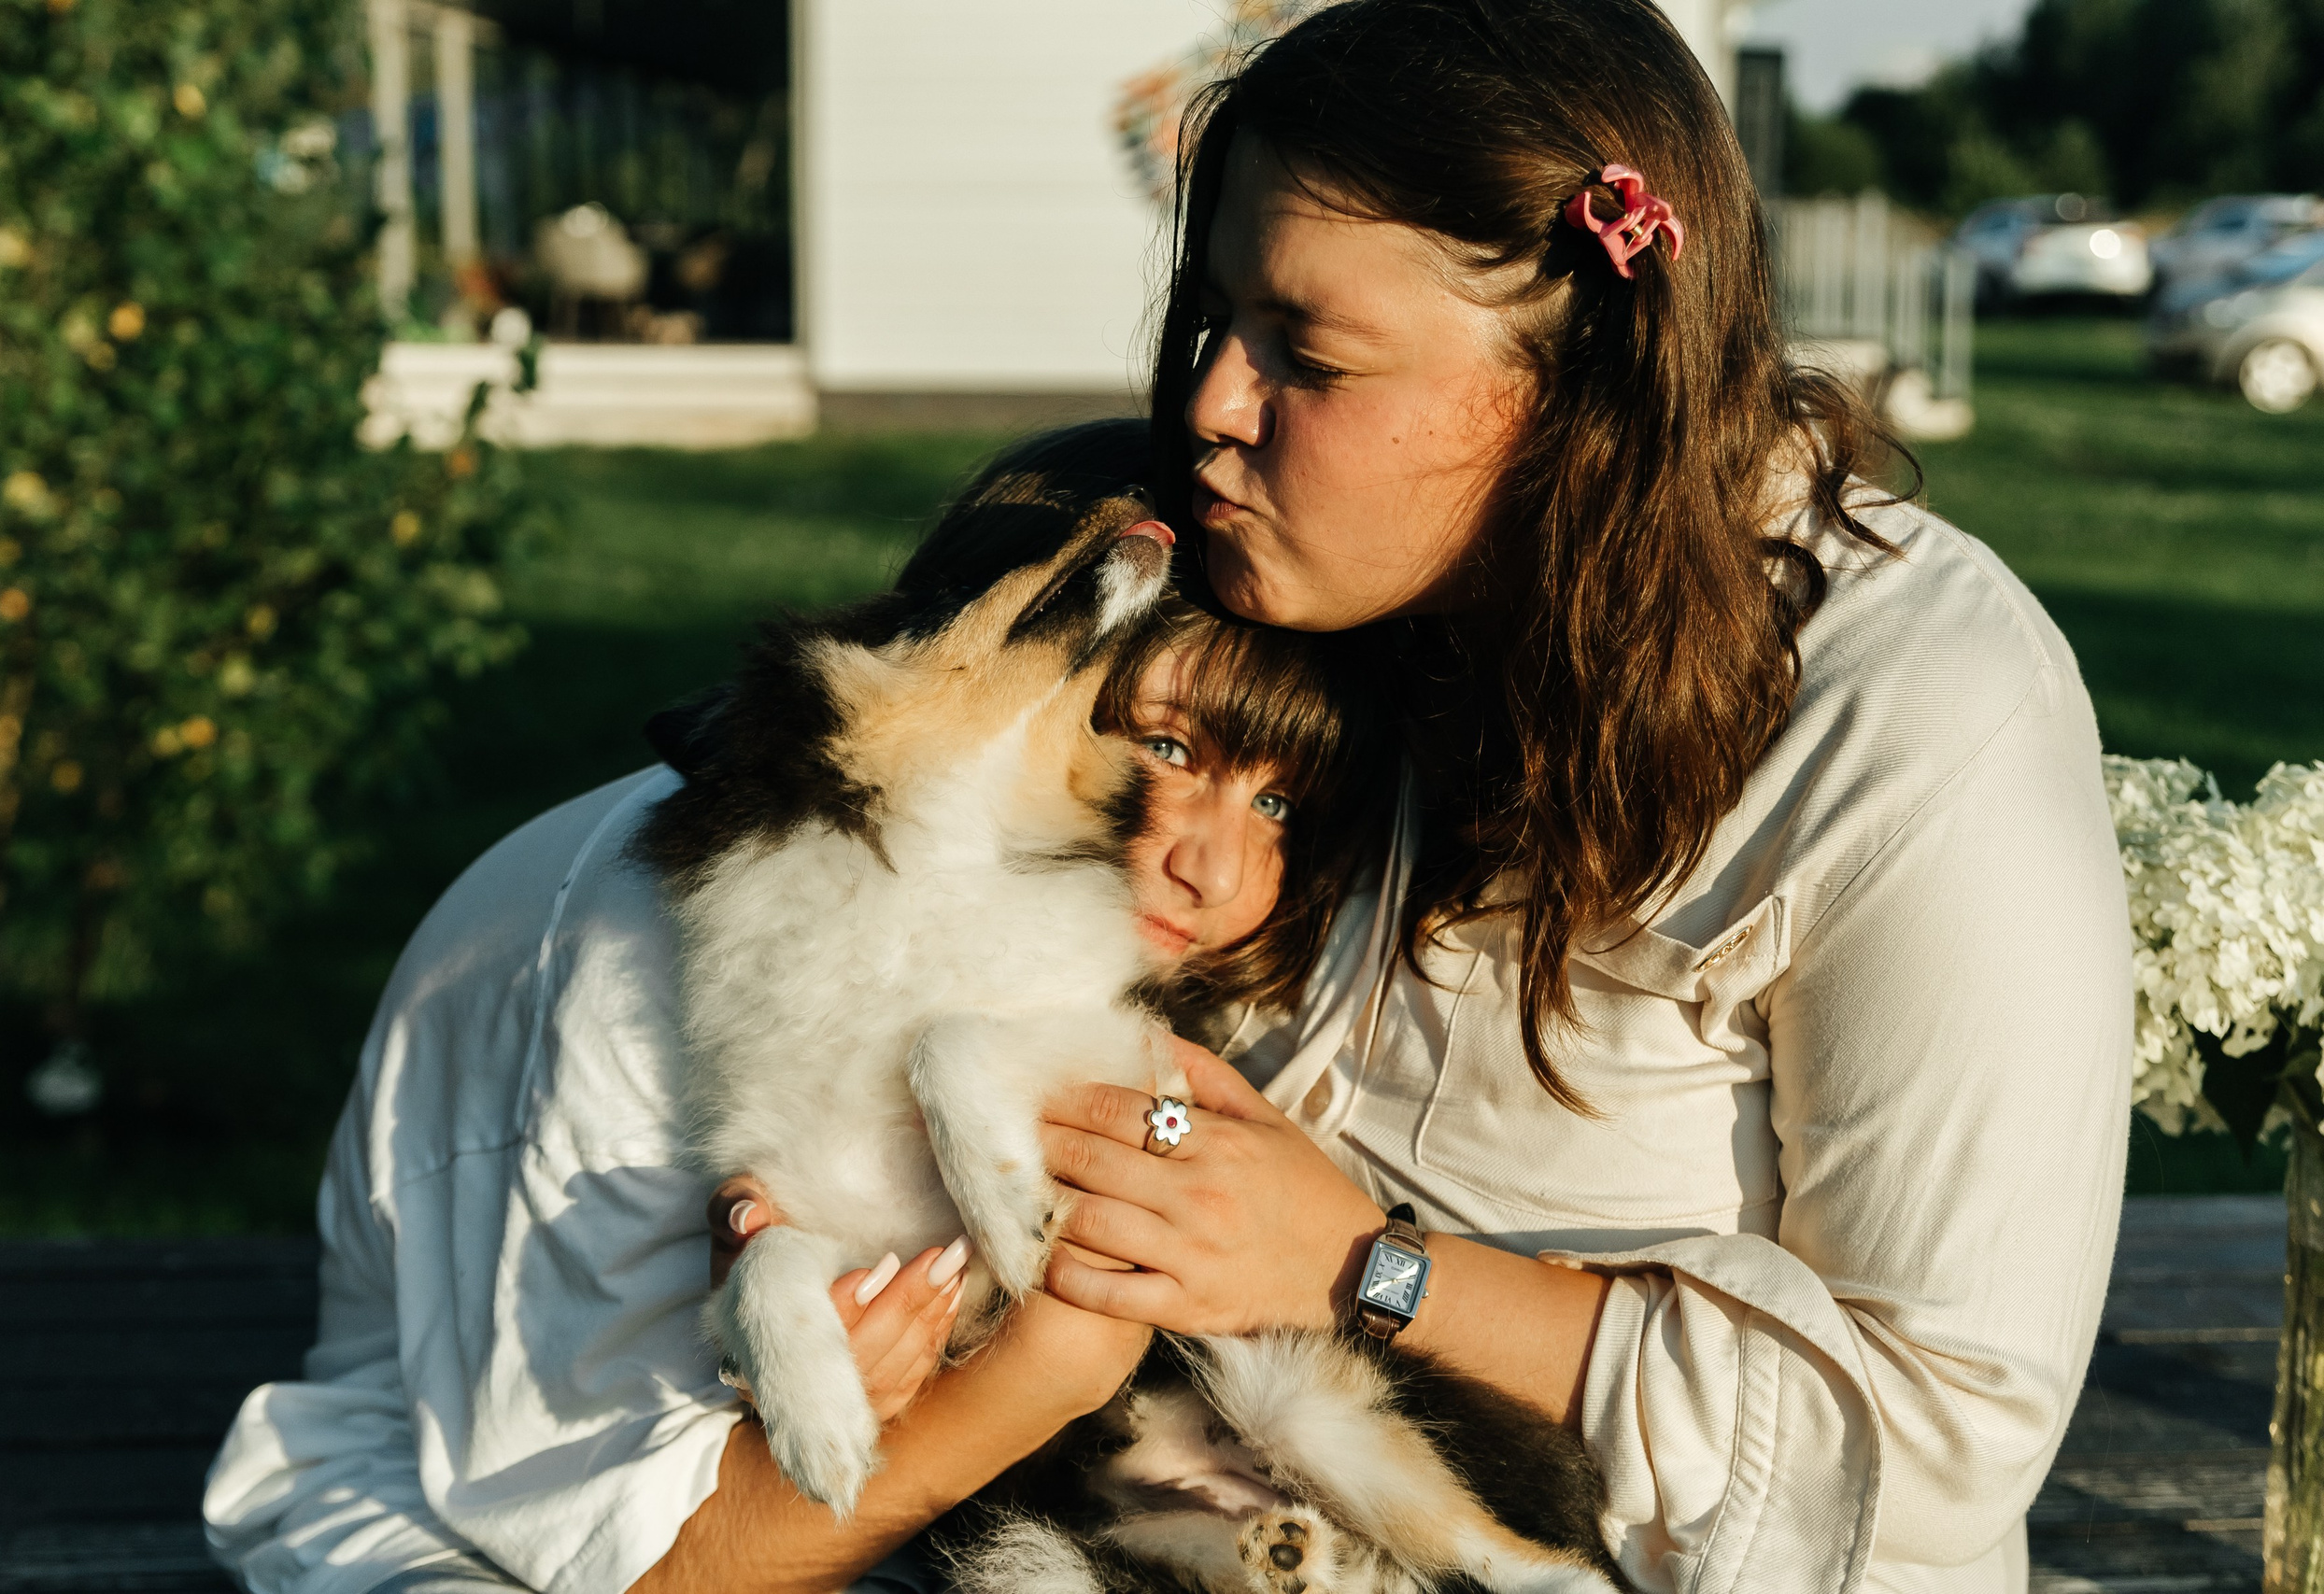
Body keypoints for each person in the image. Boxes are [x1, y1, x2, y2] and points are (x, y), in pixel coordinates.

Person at [701, 2, 2132, 1590]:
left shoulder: (1924, 716)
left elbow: (1942, 1445)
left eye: (1309, 355)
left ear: (1581, 378)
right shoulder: (1311, 577)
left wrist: (1363, 1267)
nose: (1212, 404)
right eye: (1216, 315)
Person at [202, 424, 1394, 1594]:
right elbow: (652, 1566)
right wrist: (1057, 1352)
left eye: (1280, 804)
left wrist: (1294, 1232)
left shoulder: (997, 918)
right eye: (1166, 746)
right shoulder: (665, 954)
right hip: (485, 1511)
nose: (1212, 869)